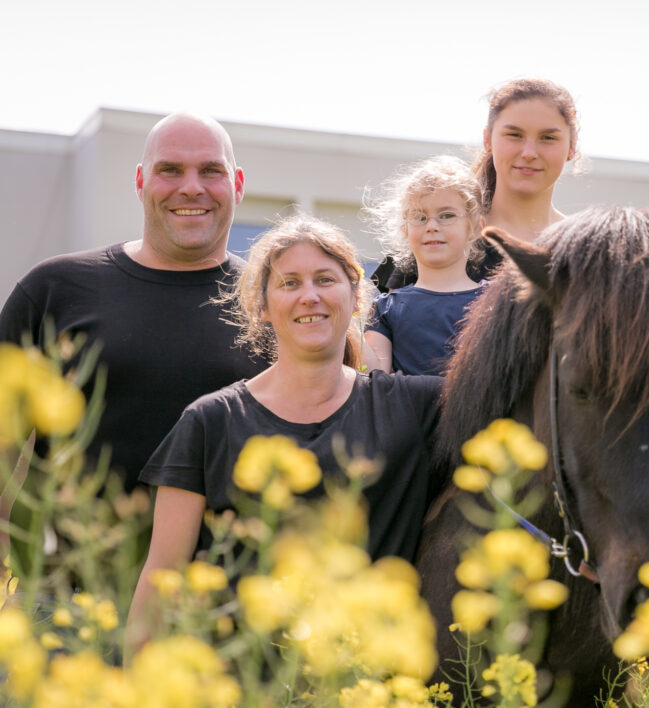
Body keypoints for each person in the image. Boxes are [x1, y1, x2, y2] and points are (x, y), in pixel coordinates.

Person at [126, 214, 442, 651]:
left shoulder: (416, 408)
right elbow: (161, 582)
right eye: (289, 283)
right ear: (262, 306)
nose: (309, 296)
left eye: (325, 280)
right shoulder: (211, 421)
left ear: (356, 298)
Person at [0, 114, 267, 545]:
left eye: (210, 170)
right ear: (141, 181)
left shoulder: (275, 304)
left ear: (236, 184)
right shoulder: (53, 289)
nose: (192, 187)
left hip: (221, 598)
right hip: (66, 594)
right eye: (170, 170)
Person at [371, 77, 580, 292]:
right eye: (514, 135)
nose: (529, 153)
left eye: (548, 138)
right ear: (488, 140)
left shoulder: (587, 251)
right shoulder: (439, 235)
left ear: (572, 146)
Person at [362, 155, 486, 375]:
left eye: (446, 215)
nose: (431, 226)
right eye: (419, 217)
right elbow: (375, 380)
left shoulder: (495, 300)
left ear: (476, 227)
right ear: (405, 229)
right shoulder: (386, 308)